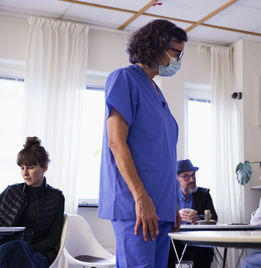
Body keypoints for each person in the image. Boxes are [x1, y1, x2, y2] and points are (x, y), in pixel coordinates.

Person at [98, 19, 188, 268]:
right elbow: (116, 143)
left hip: (161, 207)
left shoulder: (156, 91)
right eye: (176, 52)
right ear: (156, 46)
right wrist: (140, 197)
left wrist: (172, 205)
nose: (179, 59)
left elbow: (163, 155)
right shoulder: (124, 79)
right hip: (136, 205)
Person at [0, 137, 65, 268]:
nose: (25, 173)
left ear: (44, 167)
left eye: (30, 167)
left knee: (19, 248)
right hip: (6, 248)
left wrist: (27, 249)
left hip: (38, 253)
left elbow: (53, 238)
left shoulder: (56, 197)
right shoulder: (11, 191)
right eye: (22, 168)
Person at [167, 159, 217, 268]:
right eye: (186, 176)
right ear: (176, 179)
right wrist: (175, 215)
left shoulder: (203, 194)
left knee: (203, 252)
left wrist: (198, 218)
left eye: (193, 175)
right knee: (165, 250)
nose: (192, 179)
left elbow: (214, 217)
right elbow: (161, 218)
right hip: (174, 241)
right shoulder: (168, 195)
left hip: (198, 240)